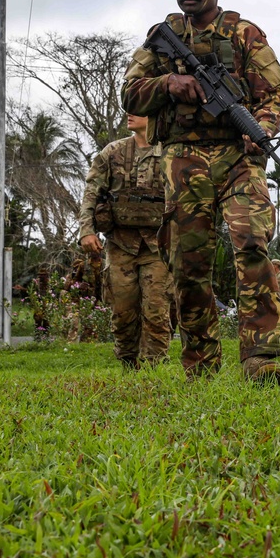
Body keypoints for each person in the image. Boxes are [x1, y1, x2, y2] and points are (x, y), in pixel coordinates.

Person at [121, 0, 280, 384]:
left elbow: (273, 95)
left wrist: (261, 129)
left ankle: (260, 358)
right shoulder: (162, 35)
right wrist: (169, 83)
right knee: (187, 262)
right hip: (183, 159)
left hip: (239, 157)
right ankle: (200, 363)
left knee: (252, 244)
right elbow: (130, 94)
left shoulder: (245, 35)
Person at [78, 114, 174, 369]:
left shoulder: (170, 152)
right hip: (121, 244)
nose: (130, 114)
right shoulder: (113, 152)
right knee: (122, 310)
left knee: (156, 309)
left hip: (158, 246)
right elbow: (91, 192)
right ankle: (128, 363)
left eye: (139, 110)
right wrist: (87, 231)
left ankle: (155, 366)